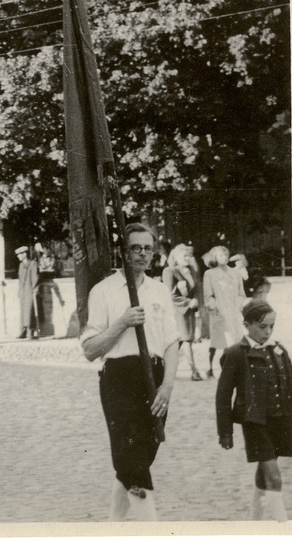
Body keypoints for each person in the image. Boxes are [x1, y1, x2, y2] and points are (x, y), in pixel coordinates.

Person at [80, 223, 179, 521]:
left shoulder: (159, 290)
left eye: (148, 248)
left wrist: (168, 385)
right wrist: (122, 322)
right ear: (123, 251)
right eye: (136, 248)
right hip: (119, 378)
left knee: (137, 461)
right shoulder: (104, 291)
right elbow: (90, 349)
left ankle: (113, 528)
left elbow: (172, 341)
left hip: (156, 380)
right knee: (133, 463)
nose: (143, 254)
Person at [215, 299, 292, 522]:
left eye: (271, 326)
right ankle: (284, 527)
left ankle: (254, 521)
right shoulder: (236, 353)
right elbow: (223, 396)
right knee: (274, 477)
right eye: (262, 327)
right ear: (247, 325)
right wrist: (225, 432)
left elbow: (291, 383)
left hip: (280, 421)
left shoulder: (279, 350)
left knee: (264, 474)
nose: (268, 332)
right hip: (255, 424)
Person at [161, 244, 203, 381]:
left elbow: (196, 290)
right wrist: (187, 303)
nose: (187, 258)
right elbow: (169, 295)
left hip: (189, 312)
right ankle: (194, 371)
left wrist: (196, 304)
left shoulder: (191, 271)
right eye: (183, 255)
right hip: (177, 311)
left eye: (188, 255)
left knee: (179, 343)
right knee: (186, 341)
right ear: (175, 257)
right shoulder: (170, 271)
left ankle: (163, 370)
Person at [203, 245, 245, 378]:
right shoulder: (209, 274)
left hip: (233, 312)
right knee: (217, 341)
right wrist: (213, 307)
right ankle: (209, 367)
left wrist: (237, 306)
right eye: (221, 255)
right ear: (215, 257)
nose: (225, 257)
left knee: (233, 342)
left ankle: (230, 370)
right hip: (219, 312)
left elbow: (241, 293)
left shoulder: (235, 273)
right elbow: (208, 295)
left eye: (226, 255)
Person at [34, 252, 65, 338]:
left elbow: (54, 285)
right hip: (39, 292)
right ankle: (40, 331)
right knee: (40, 312)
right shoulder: (39, 265)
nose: (45, 260)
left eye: (47, 258)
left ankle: (45, 332)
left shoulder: (51, 265)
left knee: (46, 313)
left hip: (46, 292)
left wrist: (60, 299)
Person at [15, 246, 38, 339]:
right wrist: (19, 290)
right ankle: (23, 330)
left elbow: (35, 277)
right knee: (23, 310)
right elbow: (20, 279)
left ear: (24, 254)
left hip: (29, 289)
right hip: (23, 290)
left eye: (19, 255)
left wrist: (34, 289)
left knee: (29, 309)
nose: (18, 257)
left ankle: (30, 330)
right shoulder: (21, 265)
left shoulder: (32, 264)